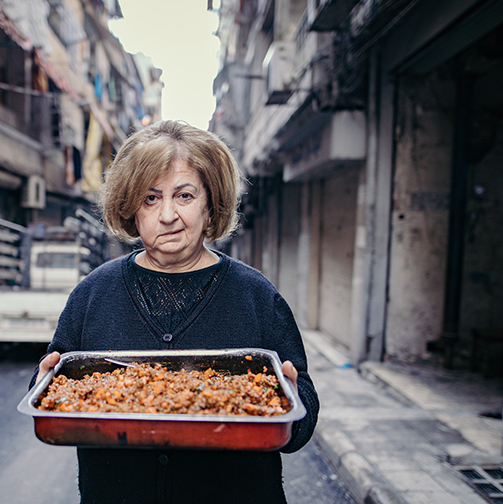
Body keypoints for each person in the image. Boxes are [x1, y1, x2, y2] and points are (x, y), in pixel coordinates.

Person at [32, 120, 320, 504]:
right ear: (130, 207)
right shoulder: (92, 294)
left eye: (184, 196)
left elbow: (303, 410)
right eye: (151, 198)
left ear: (210, 203)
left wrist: (292, 402)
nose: (167, 215)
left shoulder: (256, 296)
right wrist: (42, 381)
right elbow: (51, 391)